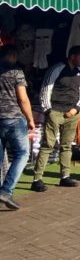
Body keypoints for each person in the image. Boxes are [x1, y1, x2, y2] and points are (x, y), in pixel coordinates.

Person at [31, 46, 80, 192]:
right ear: (72, 56)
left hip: (72, 113)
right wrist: (48, 110)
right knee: (47, 145)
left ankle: (65, 176)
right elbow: (46, 88)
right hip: (55, 111)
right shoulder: (57, 69)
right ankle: (37, 179)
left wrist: (76, 109)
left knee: (67, 145)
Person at [0, 44, 36, 209]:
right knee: (22, 154)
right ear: (13, 55)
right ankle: (6, 190)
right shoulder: (16, 72)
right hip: (14, 118)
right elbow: (23, 99)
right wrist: (30, 119)